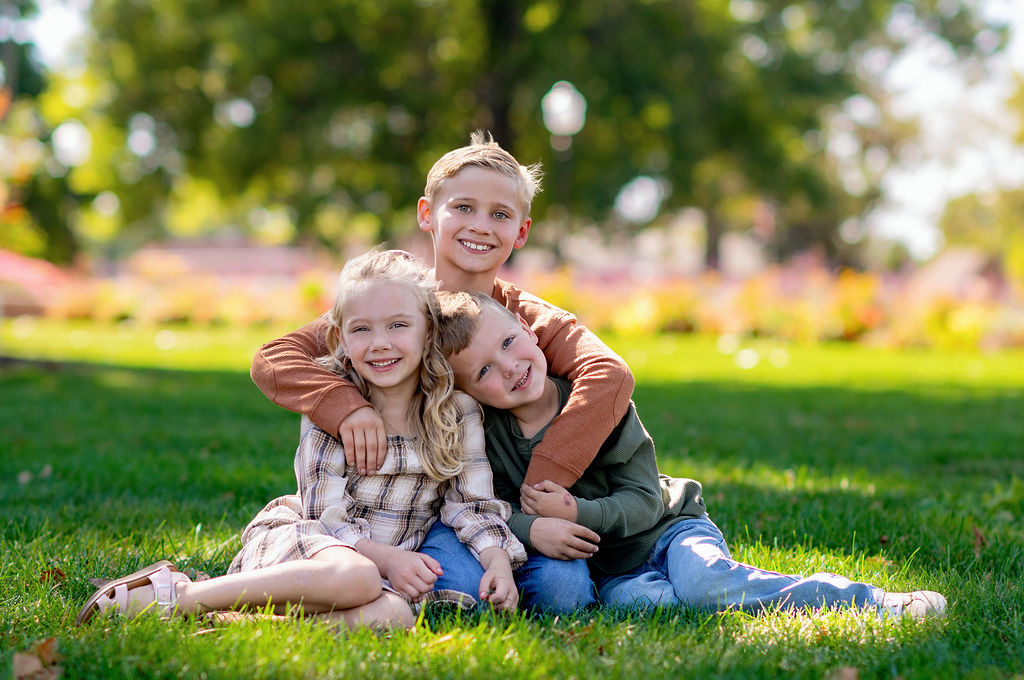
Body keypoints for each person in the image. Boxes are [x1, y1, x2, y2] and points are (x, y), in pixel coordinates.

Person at [249, 132, 627, 612]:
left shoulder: (525, 318)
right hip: (396, 508)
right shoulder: (390, 307)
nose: (480, 226)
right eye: (463, 208)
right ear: (428, 214)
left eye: (500, 214)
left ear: (522, 232)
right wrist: (347, 409)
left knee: (561, 595)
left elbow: (608, 374)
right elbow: (274, 357)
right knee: (452, 594)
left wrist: (542, 483)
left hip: (495, 506)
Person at [76, 250, 526, 630]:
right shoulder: (333, 403)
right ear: (341, 340)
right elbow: (324, 514)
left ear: (428, 331)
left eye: (398, 326)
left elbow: (472, 506)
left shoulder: (454, 411)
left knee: (395, 615)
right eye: (362, 329)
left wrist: (498, 561)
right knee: (360, 580)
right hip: (315, 543)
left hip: (386, 566)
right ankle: (180, 595)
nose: (380, 344)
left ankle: (234, 622)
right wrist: (385, 560)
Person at [433, 289, 948, 619]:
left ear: (529, 331)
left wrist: (579, 512)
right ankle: (700, 592)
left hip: (665, 530)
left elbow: (643, 499)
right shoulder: (487, 433)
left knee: (702, 582)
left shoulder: (593, 404)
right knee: (643, 606)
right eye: (481, 373)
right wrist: (529, 529)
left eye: (507, 343)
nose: (506, 368)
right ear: (470, 393)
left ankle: (874, 602)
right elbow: (491, 507)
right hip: (614, 571)